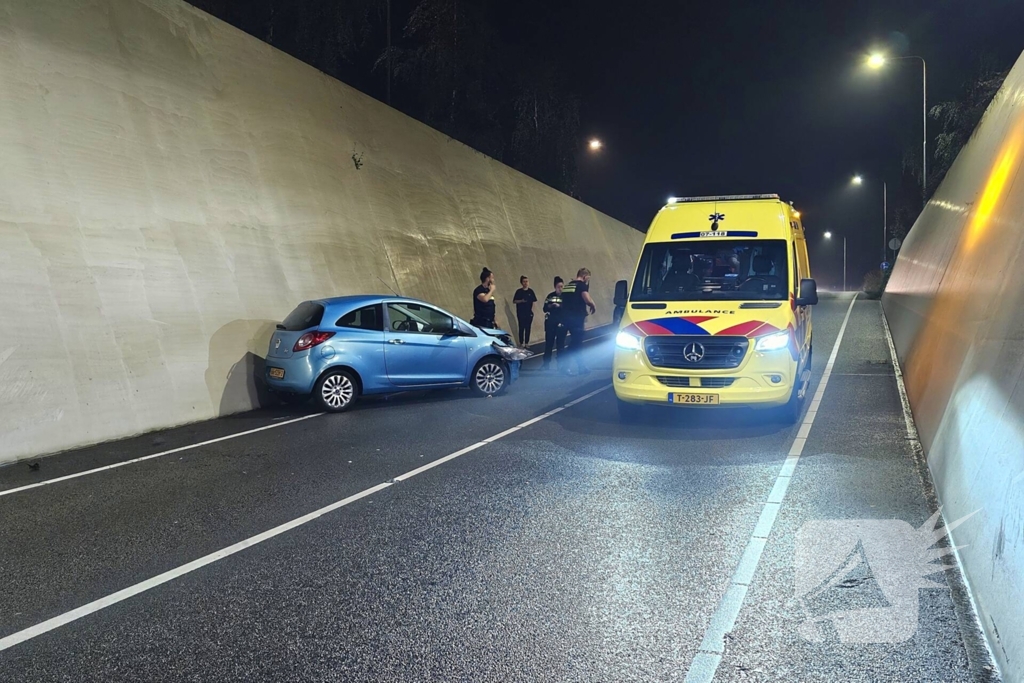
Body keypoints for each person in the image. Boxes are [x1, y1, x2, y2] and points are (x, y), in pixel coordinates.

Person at [559, 268, 597, 375]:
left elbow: (562, 302)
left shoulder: (567, 286)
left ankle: (581, 367)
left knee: (577, 343)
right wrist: (593, 305)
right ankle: (565, 366)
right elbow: (587, 299)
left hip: (566, 318)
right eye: (587, 279)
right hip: (576, 319)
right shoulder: (581, 285)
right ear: (584, 276)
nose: (587, 281)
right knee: (576, 342)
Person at [541, 277, 567, 370]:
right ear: (555, 287)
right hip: (551, 323)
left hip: (561, 323)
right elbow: (544, 308)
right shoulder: (550, 296)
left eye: (562, 286)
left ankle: (561, 365)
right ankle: (546, 363)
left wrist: (559, 306)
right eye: (558, 286)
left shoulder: (565, 297)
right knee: (549, 344)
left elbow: (568, 308)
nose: (560, 288)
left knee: (561, 345)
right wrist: (551, 306)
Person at [512, 275, 537, 347]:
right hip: (521, 313)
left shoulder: (531, 291)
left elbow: (534, 302)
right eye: (524, 282)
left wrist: (532, 311)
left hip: (529, 313)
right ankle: (521, 343)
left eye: (527, 281)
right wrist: (521, 301)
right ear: (521, 283)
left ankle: (526, 343)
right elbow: (514, 301)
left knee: (528, 328)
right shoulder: (519, 291)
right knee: (521, 327)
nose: (526, 283)